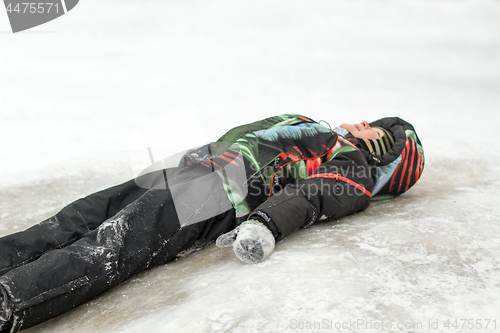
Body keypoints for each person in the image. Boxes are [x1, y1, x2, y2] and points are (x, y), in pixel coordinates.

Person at [0, 114, 424, 332]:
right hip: (193, 171)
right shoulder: (321, 129)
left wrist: (266, 223)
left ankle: (9, 302)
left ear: (387, 154)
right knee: (76, 217)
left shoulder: (355, 167)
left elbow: (313, 195)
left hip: (218, 194)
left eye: (374, 129)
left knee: (110, 246)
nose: (360, 123)